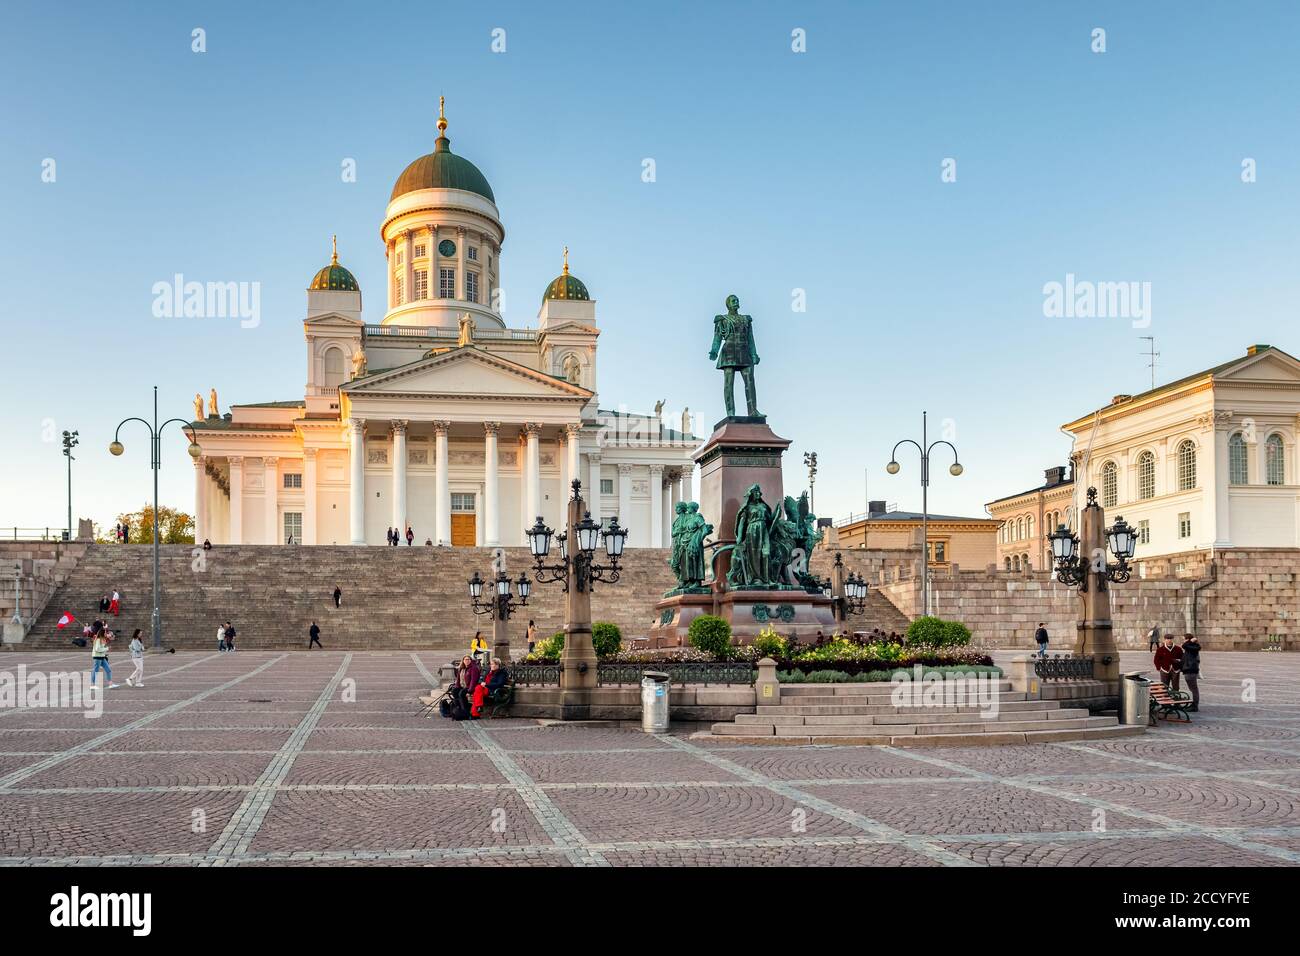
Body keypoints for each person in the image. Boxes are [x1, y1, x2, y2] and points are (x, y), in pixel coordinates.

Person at [1181, 632, 1201, 711]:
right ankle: (1194, 705)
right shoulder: (1191, 646)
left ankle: (1194, 706)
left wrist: (1191, 641)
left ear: (1188, 639)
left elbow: (1184, 645)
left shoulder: (1191, 646)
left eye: (1184, 639)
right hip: (1190, 670)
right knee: (1193, 689)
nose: (1183, 641)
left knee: (1194, 689)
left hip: (1190, 670)